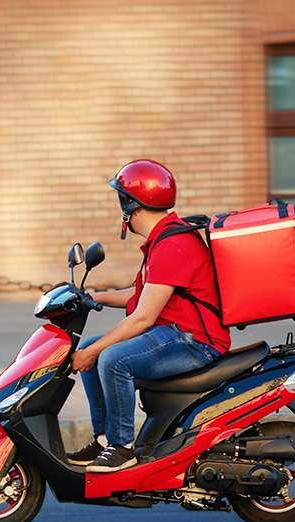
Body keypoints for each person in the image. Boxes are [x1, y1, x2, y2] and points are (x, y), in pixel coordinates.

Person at [66, 159, 231, 473]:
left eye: (121, 201)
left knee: (112, 358)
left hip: (194, 341)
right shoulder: (163, 241)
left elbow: (142, 317)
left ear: (131, 205)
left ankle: (121, 448)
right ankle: (104, 441)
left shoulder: (174, 244)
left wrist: (91, 353)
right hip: (173, 333)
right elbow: (138, 296)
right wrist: (91, 298)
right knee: (93, 345)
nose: (120, 209)